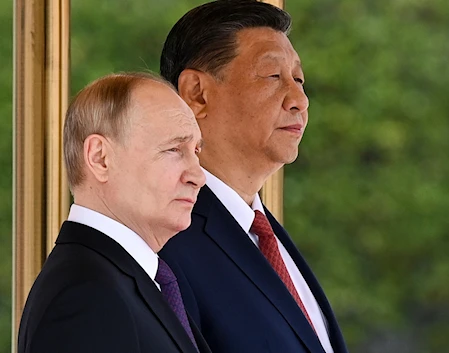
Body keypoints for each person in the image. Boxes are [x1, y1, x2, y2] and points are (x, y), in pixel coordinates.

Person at [159, 1, 348, 352]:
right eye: (273, 76)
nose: (300, 99)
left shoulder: (266, 235)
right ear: (196, 94)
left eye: (299, 79)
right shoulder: (163, 243)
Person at [17, 72, 212, 353]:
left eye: (196, 151)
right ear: (100, 158)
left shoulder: (120, 281)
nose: (198, 175)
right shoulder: (85, 296)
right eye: (174, 149)